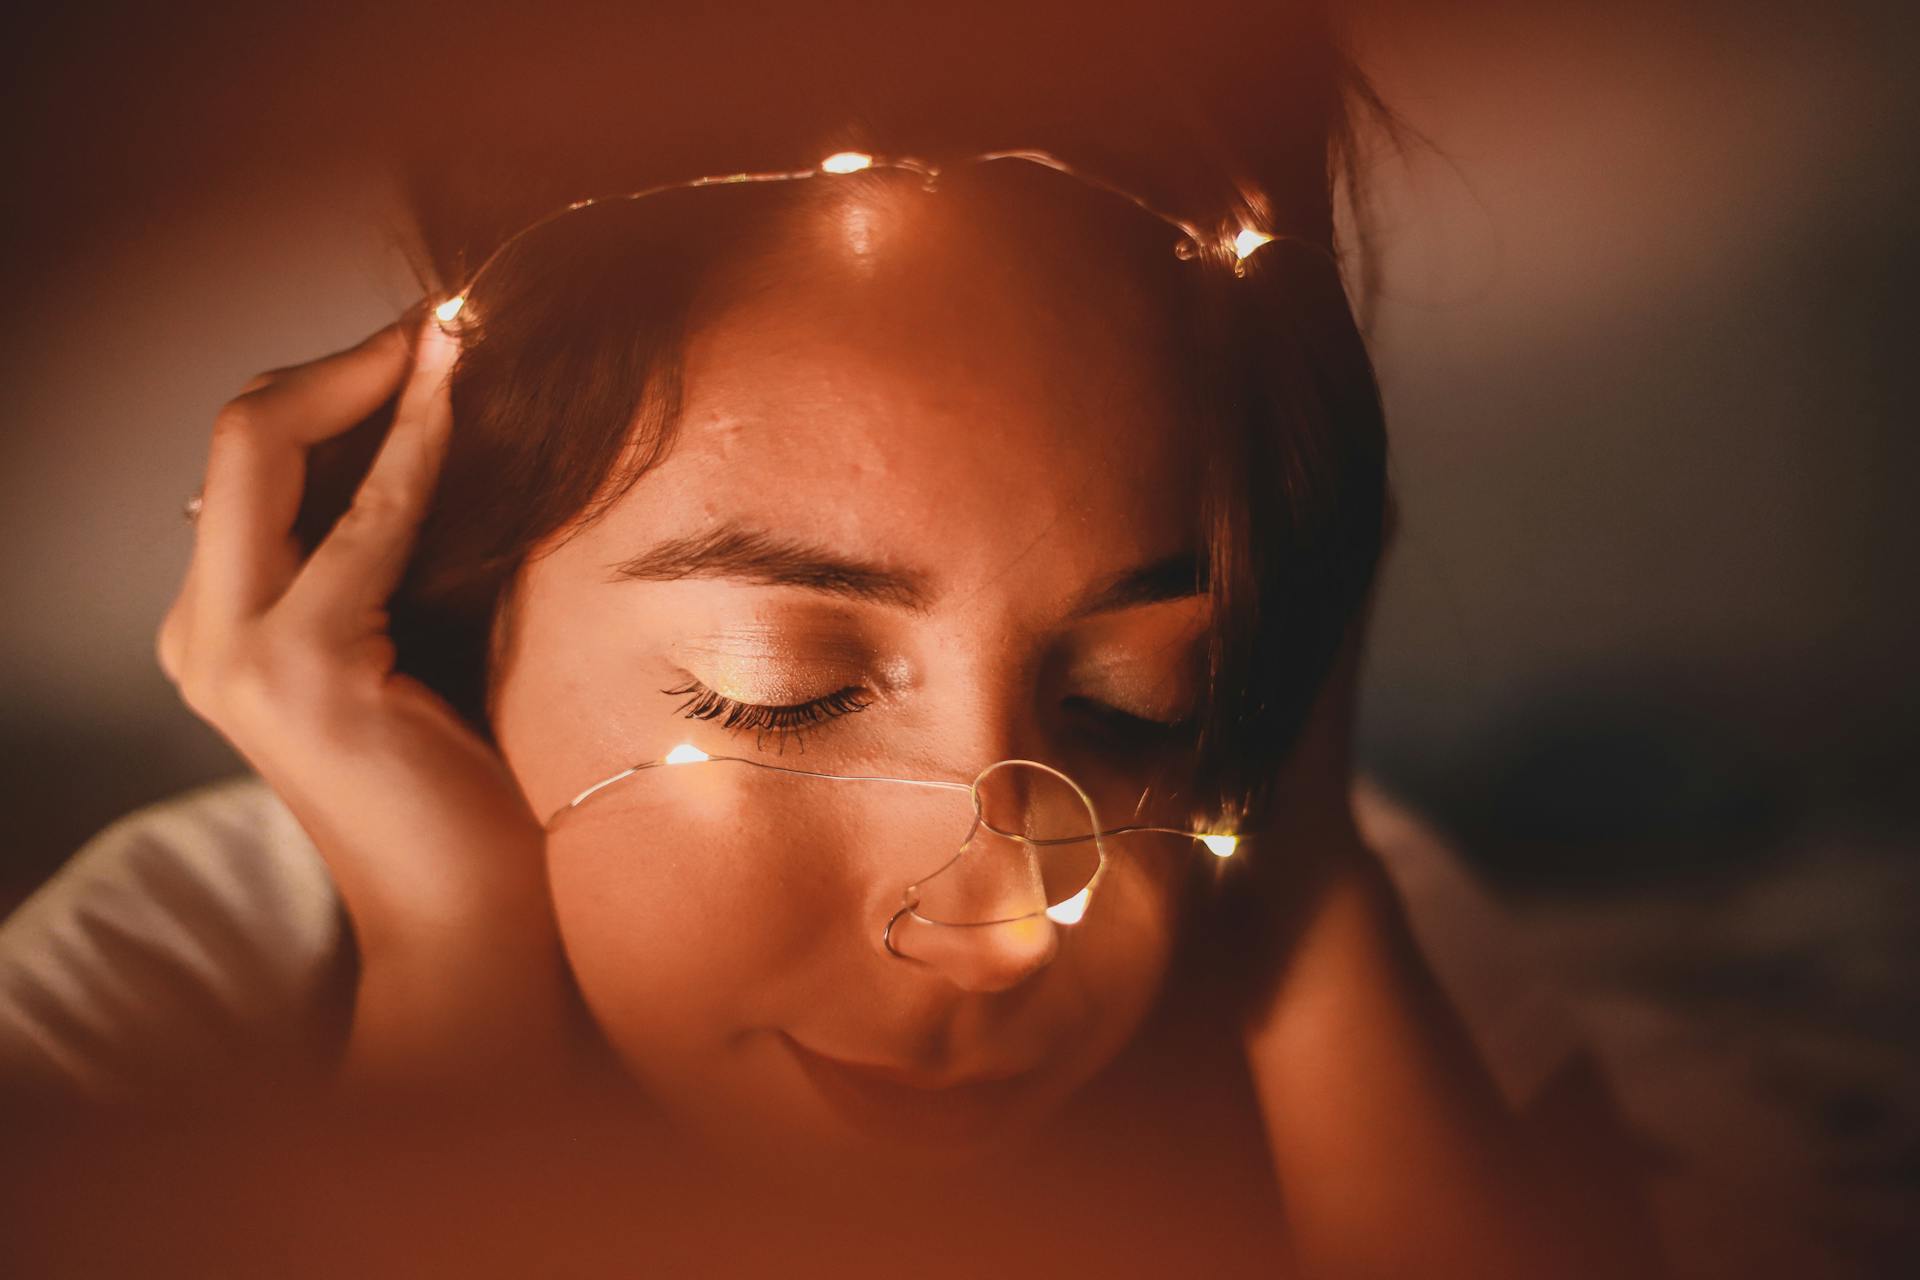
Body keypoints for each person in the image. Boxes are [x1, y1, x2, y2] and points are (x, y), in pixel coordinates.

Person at [0, 14, 1665, 1276]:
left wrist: (1299, 878)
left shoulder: (1347, 954)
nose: (1005, 926)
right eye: (781, 694)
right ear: (458, 598)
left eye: (1133, 700)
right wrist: (457, 973)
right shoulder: (167, 991)